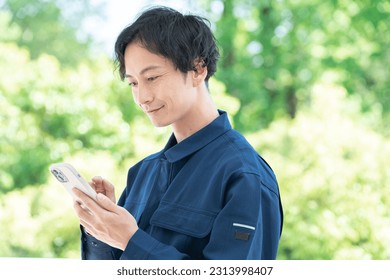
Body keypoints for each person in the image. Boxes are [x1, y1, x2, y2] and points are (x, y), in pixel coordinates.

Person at [72, 6, 283, 260]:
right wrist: (101, 227)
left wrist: (132, 241)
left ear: (197, 69)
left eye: (152, 78)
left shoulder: (245, 175)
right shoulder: (142, 174)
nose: (142, 97)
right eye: (133, 83)